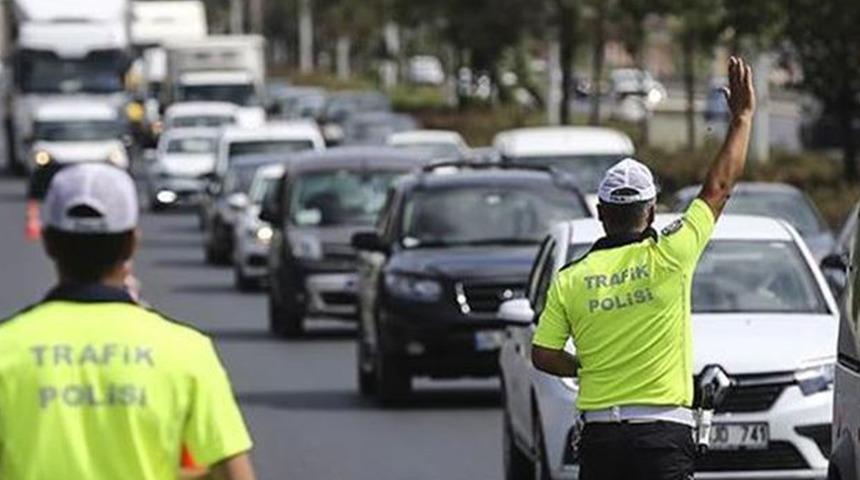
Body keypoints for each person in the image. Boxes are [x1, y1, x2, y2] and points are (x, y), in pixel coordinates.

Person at [530, 56, 755, 480]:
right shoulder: (673, 253)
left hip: (601, 438)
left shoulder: (570, 279)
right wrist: (742, 119)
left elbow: (543, 354)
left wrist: (585, 366)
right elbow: (719, 188)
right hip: (664, 436)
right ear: (651, 213)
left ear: (601, 213)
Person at [0, 163, 256, 480]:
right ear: (132, 243)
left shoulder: (6, 349)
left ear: (49, 242)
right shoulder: (186, 352)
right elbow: (234, 474)